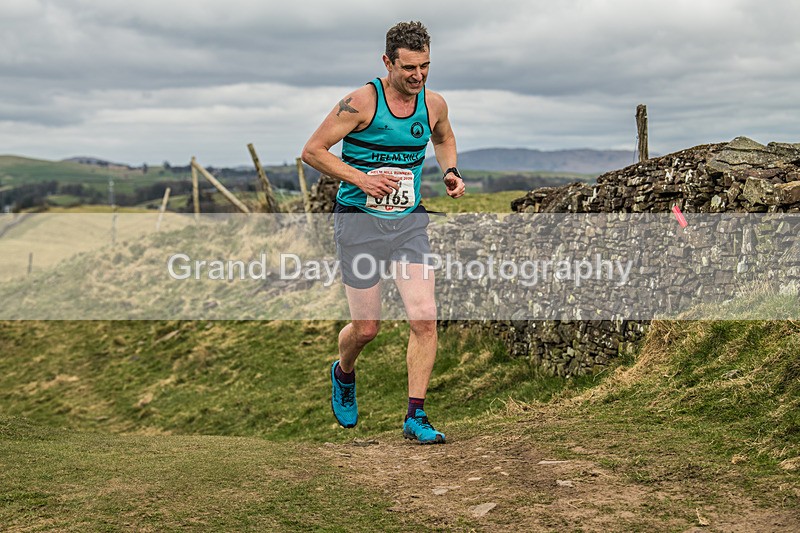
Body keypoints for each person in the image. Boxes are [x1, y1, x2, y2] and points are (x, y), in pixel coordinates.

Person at [302, 20, 465, 444]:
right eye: (409, 67)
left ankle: (416, 416)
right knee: (367, 329)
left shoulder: (433, 104)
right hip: (359, 223)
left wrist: (449, 171)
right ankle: (344, 372)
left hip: (408, 223)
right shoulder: (360, 103)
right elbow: (313, 151)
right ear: (387, 62)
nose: (418, 76)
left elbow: (444, 138)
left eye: (425, 66)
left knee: (424, 317)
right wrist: (362, 179)